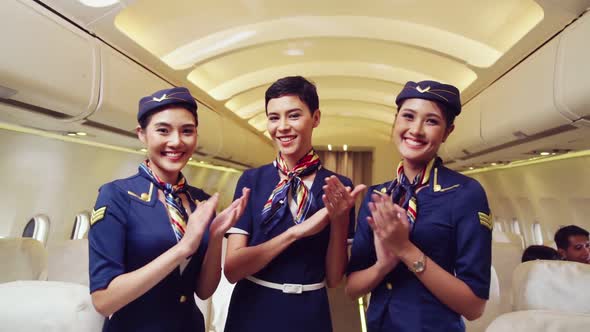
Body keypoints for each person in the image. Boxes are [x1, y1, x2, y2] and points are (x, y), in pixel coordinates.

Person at [88, 87, 250, 332]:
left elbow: (203, 291)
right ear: (142, 134)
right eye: (163, 130)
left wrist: (216, 235)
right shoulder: (117, 196)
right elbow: (104, 300)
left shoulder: (201, 202)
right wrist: (184, 247)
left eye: (187, 131)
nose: (176, 141)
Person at [346, 80, 493, 332]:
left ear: (447, 132)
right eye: (408, 116)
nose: (416, 129)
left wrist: (404, 249)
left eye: (431, 121)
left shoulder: (465, 194)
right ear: (395, 122)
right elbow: (352, 288)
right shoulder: (377, 196)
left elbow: (474, 307)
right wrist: (384, 265)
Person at [223, 76, 365, 332]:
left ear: (316, 118)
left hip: (309, 312)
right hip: (252, 309)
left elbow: (334, 279)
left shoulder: (337, 186)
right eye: (274, 117)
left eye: (294, 115)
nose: (282, 127)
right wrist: (295, 233)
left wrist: (340, 219)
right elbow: (232, 270)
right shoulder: (252, 181)